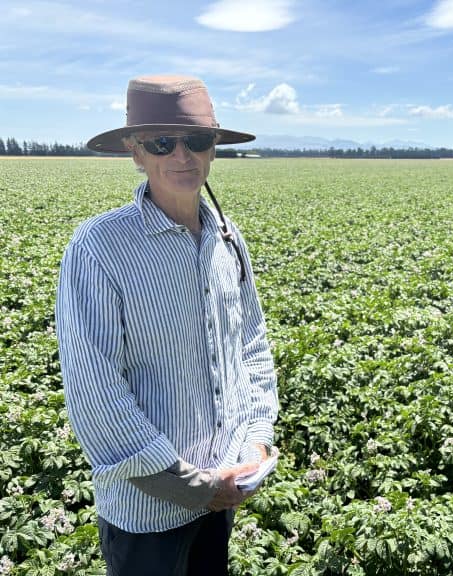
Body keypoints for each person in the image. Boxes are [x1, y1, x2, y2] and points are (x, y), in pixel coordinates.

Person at [55, 75, 279, 575]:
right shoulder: (99, 248)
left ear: (213, 148)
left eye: (196, 140)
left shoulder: (226, 237)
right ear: (136, 152)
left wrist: (256, 442)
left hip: (225, 488)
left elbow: (251, 346)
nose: (182, 156)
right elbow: (97, 393)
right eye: (162, 142)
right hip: (147, 514)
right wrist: (193, 486)